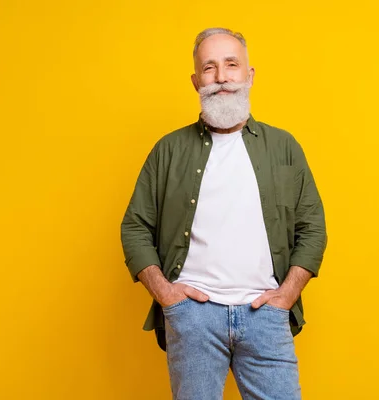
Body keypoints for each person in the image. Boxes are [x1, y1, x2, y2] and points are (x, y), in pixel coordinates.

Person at [120, 27, 327, 400]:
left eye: (231, 65)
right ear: (196, 80)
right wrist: (168, 296)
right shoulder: (168, 150)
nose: (221, 77)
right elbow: (135, 228)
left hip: (266, 314)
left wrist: (286, 296)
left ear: (249, 75)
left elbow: (312, 229)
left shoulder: (284, 147)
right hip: (193, 319)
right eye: (210, 68)